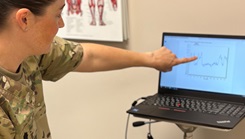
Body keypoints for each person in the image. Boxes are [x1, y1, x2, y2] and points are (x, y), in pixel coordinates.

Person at [0, 0, 197, 139]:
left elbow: (87, 56)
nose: (61, 24)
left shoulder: (31, 53)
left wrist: (152, 59)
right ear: (24, 19)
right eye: (58, 14)